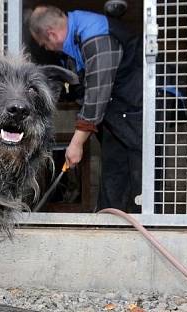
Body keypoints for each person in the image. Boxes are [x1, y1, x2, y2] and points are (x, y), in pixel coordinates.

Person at [27, 5, 143, 213]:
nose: (47, 49)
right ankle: (109, 224)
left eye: (44, 45)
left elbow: (97, 94)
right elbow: (80, 87)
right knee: (113, 171)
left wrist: (76, 143)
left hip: (140, 105)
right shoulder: (75, 44)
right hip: (120, 110)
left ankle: (145, 224)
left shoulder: (95, 35)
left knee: (140, 172)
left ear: (51, 34)